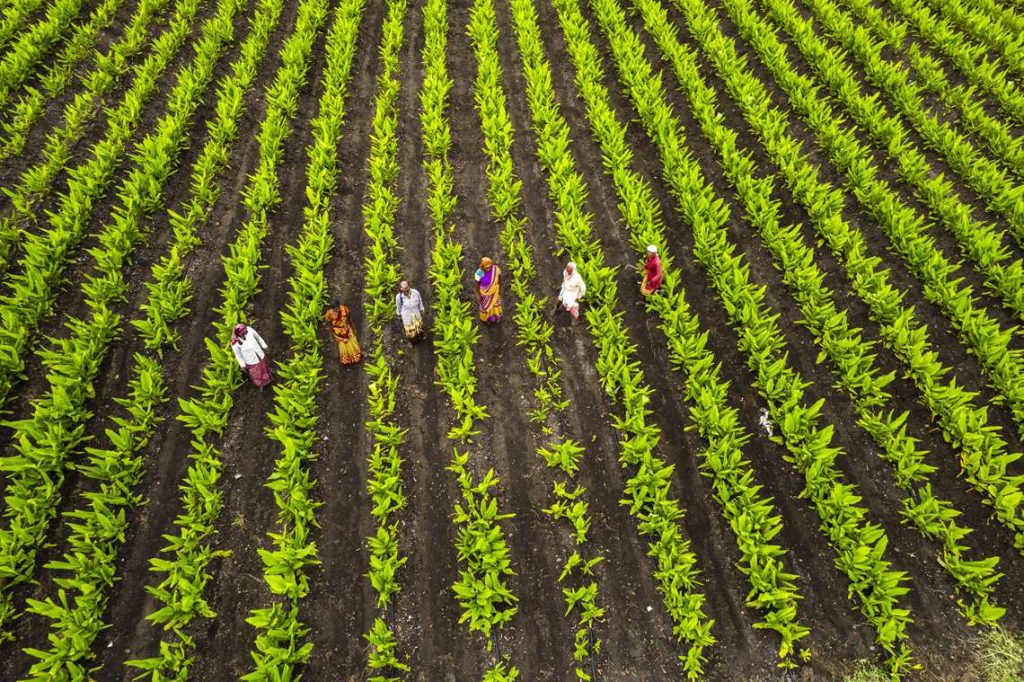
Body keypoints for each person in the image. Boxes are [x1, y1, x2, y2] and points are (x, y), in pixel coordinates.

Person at [230, 323, 272, 389]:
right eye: (242, 334)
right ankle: (262, 385)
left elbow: (258, 338)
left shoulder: (250, 330)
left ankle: (269, 379)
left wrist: (264, 346)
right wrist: (242, 365)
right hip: (251, 361)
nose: (245, 334)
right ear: (238, 335)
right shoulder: (235, 343)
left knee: (264, 367)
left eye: (245, 332)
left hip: (260, 354)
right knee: (256, 373)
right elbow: (238, 355)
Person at [324, 300, 362, 365]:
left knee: (353, 342)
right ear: (332, 309)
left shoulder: (344, 309)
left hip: (347, 329)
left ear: (339, 306)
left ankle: (357, 355)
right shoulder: (329, 314)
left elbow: (350, 319)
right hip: (338, 333)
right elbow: (329, 325)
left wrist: (354, 328)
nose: (337, 310)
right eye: (335, 309)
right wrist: (331, 336)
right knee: (343, 346)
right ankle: (347, 359)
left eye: (337, 308)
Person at [474, 256, 502, 324]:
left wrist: (499, 289)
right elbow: (477, 284)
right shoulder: (479, 273)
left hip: (494, 291)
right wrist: (478, 294)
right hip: (484, 293)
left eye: (490, 266)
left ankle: (495, 316)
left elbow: (499, 280)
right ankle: (487, 318)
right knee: (486, 306)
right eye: (486, 267)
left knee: (494, 304)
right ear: (482, 266)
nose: (489, 268)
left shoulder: (496, 269)